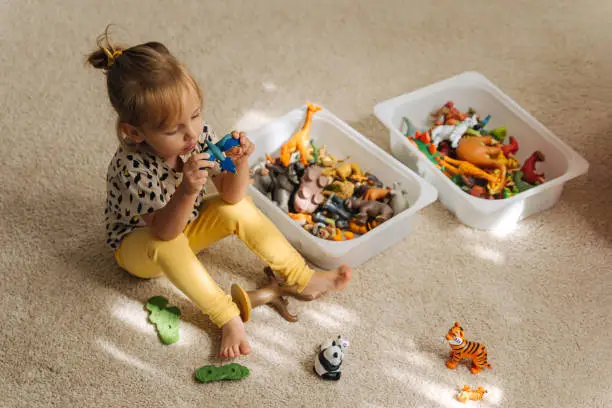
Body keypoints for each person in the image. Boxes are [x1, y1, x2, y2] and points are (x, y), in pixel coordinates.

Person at [86, 27, 351, 359]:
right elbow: (165, 231)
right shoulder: (131, 168)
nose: (192, 133)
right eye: (174, 129)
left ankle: (300, 278)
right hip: (141, 247)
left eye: (195, 116)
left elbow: (231, 197)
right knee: (167, 245)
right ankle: (226, 316)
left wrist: (240, 163)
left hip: (185, 225)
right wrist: (186, 190)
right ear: (134, 132)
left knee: (240, 209)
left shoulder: (197, 137)